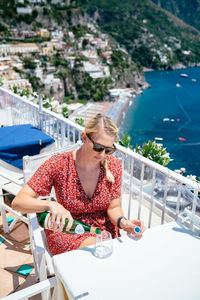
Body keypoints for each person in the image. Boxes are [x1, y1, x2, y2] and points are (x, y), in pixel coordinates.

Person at [12, 113, 145, 255]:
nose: (102, 154)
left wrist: (123, 222)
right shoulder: (59, 164)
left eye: (108, 150)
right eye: (98, 147)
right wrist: (51, 204)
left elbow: (114, 207)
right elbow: (18, 202)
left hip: (103, 232)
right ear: (84, 137)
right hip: (68, 230)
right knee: (100, 255)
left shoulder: (113, 166)